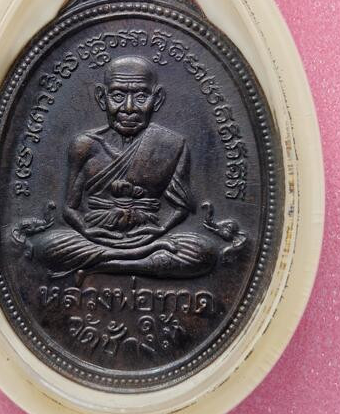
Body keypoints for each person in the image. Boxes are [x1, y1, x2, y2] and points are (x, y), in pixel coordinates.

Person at [16, 56, 217, 279]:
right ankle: (136, 261)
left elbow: (181, 208)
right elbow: (70, 208)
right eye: (118, 96)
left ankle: (103, 266)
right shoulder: (84, 145)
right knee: (45, 248)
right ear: (102, 98)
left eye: (141, 97)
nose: (129, 108)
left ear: (157, 99)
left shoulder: (172, 145)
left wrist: (159, 231)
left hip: (149, 236)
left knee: (203, 252)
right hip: (95, 237)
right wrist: (87, 230)